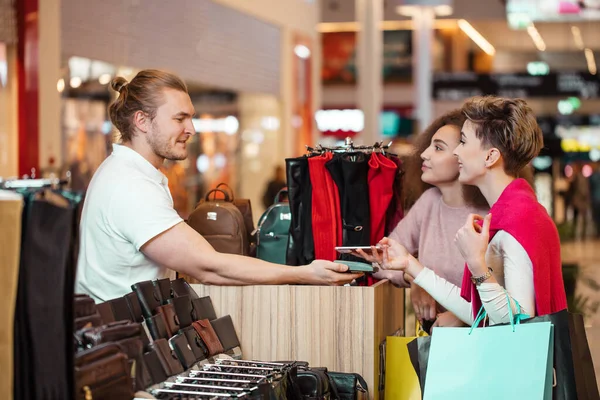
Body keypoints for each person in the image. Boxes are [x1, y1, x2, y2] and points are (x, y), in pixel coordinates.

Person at [75, 69, 362, 303]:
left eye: (190, 117)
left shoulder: (128, 172)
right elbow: (207, 265)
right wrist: (304, 273)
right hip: (122, 346)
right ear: (141, 121)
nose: (191, 129)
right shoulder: (130, 185)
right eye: (179, 118)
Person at [367, 96, 567, 325]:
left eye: (463, 142)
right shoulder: (513, 211)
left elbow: (516, 320)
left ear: (490, 156)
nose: (457, 153)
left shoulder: (517, 220)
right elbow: (481, 314)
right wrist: (411, 266)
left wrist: (475, 262)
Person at [355, 109, 489, 331]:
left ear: (466, 154)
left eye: (438, 148)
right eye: (429, 145)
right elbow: (381, 259)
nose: (424, 154)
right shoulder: (429, 202)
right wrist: (415, 279)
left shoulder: (489, 212)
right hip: (435, 341)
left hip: (485, 343)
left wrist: (463, 317)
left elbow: (505, 292)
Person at [590, 163, 600, 238]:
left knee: (596, 217)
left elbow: (589, 188)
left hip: (595, 199)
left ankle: (597, 232)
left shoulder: (593, 176)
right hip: (595, 199)